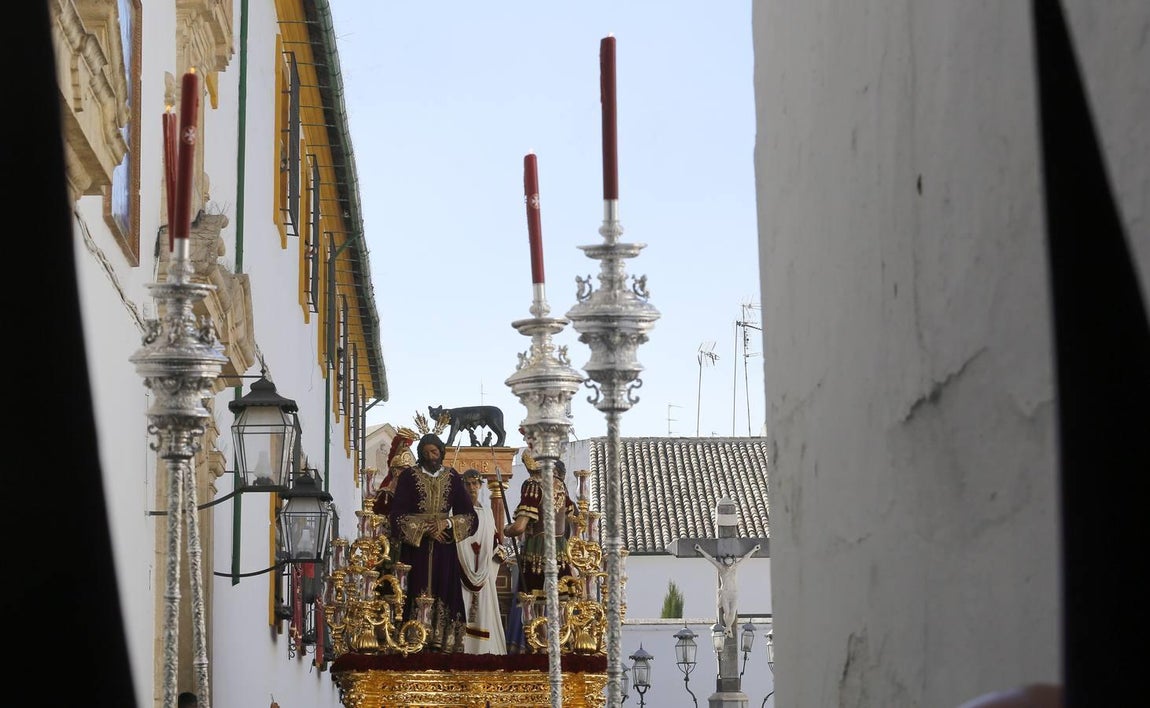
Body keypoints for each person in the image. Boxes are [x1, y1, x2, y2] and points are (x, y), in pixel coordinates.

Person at [388, 432, 477, 652]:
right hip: (415, 549)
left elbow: (470, 517)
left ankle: (443, 639)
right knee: (415, 587)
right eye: (426, 452)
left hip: (444, 547)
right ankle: (413, 636)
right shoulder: (409, 477)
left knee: (444, 587)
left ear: (441, 452)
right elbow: (396, 516)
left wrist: (446, 524)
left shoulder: (452, 477)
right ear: (421, 454)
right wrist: (425, 529)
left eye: (434, 452)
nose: (431, 456)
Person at [503, 454, 581, 594]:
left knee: (534, 599)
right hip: (560, 552)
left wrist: (507, 530)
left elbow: (519, 527)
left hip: (538, 551)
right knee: (563, 597)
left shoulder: (533, 485)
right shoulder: (560, 484)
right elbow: (575, 516)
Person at [455, 468, 508, 654]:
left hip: (483, 570)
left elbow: (494, 539)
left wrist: (499, 551)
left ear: (480, 486)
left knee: (483, 611)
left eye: (475, 483)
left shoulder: (487, 512)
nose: (471, 487)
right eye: (467, 484)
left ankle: (482, 650)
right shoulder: (455, 512)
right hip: (460, 569)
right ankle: (461, 649)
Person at [696, 542, 760, 638]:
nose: (729, 566)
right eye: (728, 564)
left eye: (730, 564)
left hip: (734, 593)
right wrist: (700, 550)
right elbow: (710, 559)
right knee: (727, 612)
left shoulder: (735, 567)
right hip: (725, 593)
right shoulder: (721, 567)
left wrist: (754, 549)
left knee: (733, 612)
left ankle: (727, 628)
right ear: (725, 562)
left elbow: (745, 558)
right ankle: (728, 629)